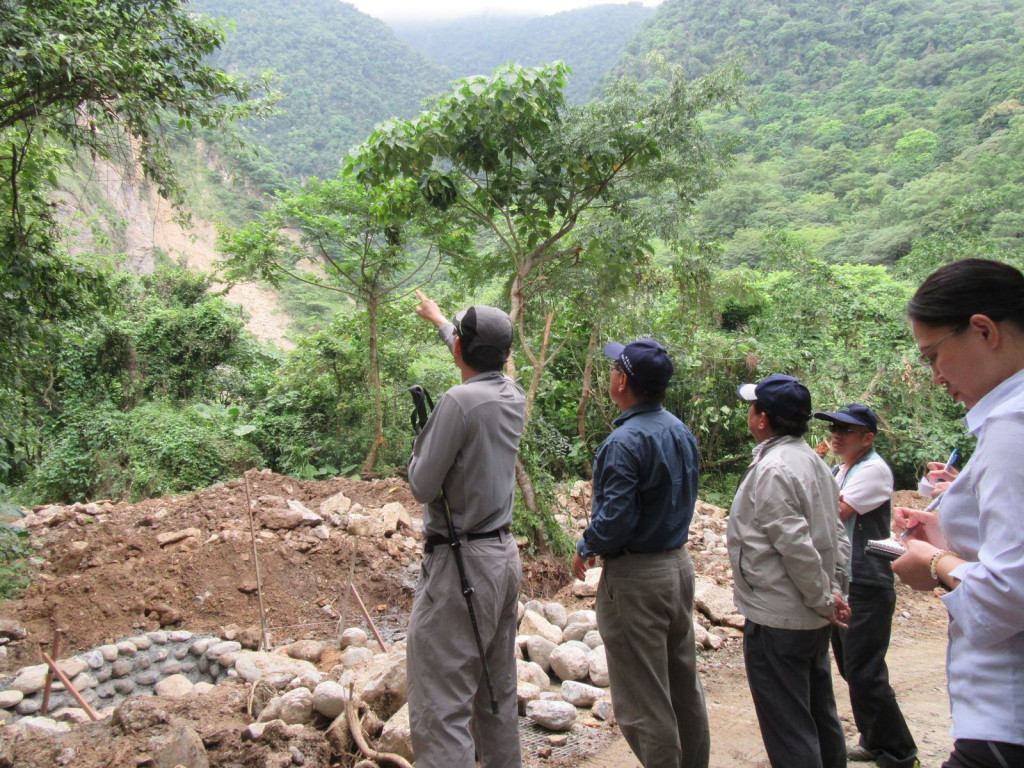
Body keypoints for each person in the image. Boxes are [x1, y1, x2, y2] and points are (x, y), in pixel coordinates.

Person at [891, 258, 1024, 768]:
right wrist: (947, 538)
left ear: (984, 330)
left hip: (1004, 720)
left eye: (934, 356)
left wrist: (932, 562)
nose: (936, 376)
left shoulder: (1012, 429)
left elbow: (1008, 597)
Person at [573, 338, 710, 768]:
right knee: (682, 685)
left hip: (637, 579)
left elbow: (614, 522)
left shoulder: (624, 442)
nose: (610, 373)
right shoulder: (679, 430)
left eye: (615, 368)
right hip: (678, 568)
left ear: (622, 382)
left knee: (644, 702)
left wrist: (586, 546)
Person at [406, 290, 526, 768]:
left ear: (460, 351)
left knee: (441, 703)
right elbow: (489, 363)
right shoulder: (512, 394)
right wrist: (441, 322)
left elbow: (421, 484)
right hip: (502, 559)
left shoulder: (457, 402)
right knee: (496, 695)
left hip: (460, 568)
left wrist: (420, 443)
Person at [728, 373, 851, 768]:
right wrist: (835, 592)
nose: (749, 414)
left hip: (781, 617)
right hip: (812, 614)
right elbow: (837, 535)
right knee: (819, 713)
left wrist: (822, 598)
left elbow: (795, 547)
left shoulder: (775, 469)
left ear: (762, 419)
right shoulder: (812, 462)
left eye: (753, 407)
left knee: (789, 727)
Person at [813, 404, 919, 768]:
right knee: (852, 667)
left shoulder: (873, 470)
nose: (836, 435)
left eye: (846, 429)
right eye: (834, 428)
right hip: (848, 579)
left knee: (864, 670)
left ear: (868, 438)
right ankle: (874, 740)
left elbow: (835, 511)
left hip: (867, 582)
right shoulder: (844, 468)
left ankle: (899, 752)